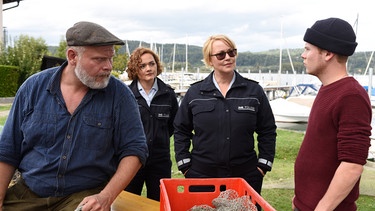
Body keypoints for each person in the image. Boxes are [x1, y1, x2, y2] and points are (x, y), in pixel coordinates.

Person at [0, 21, 148, 211]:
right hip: (29, 193)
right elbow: (7, 149)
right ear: (72, 56)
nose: (108, 67)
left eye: (110, 59)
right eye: (99, 59)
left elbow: (135, 150)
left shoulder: (119, 95)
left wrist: (105, 197)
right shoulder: (33, 88)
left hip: (83, 196)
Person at [173, 34, 277, 204]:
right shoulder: (195, 93)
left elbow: (267, 130)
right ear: (209, 60)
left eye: (232, 52)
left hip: (245, 176)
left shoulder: (254, 91)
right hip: (202, 176)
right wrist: (185, 166)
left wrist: (262, 166)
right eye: (221, 54)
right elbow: (181, 130)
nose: (228, 57)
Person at [293, 17, 372, 211]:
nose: (303, 55)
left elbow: (352, 164)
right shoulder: (329, 88)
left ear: (327, 53)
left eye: (308, 49)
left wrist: (322, 208)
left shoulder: (351, 96)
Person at [124, 47, 178, 201]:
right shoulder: (126, 95)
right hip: (131, 160)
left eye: (151, 64)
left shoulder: (168, 94)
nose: (148, 68)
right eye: (142, 66)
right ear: (135, 69)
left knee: (159, 203)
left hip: (160, 161)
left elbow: (173, 126)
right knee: (128, 203)